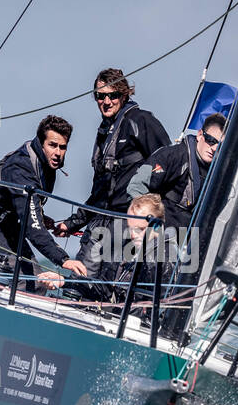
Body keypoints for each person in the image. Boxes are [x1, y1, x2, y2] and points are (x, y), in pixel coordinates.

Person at [56, 68, 169, 269]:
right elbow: (99, 192)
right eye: (100, 96)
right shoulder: (104, 132)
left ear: (124, 94)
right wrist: (72, 223)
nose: (106, 102)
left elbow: (168, 164)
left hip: (129, 223)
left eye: (113, 95)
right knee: (80, 282)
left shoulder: (141, 121)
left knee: (111, 287)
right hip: (102, 222)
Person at [0, 115, 87, 288]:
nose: (57, 153)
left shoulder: (47, 165)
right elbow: (32, 227)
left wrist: (39, 215)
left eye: (62, 147)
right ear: (40, 143)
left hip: (6, 222)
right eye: (52, 145)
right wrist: (63, 259)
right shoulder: (21, 168)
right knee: (14, 276)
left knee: (37, 282)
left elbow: (28, 209)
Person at [127, 112, 225, 231]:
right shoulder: (172, 156)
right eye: (211, 140)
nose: (214, 148)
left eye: (220, 146)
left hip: (190, 239)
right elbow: (136, 186)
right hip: (159, 234)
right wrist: (148, 222)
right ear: (200, 135)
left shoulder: (219, 174)